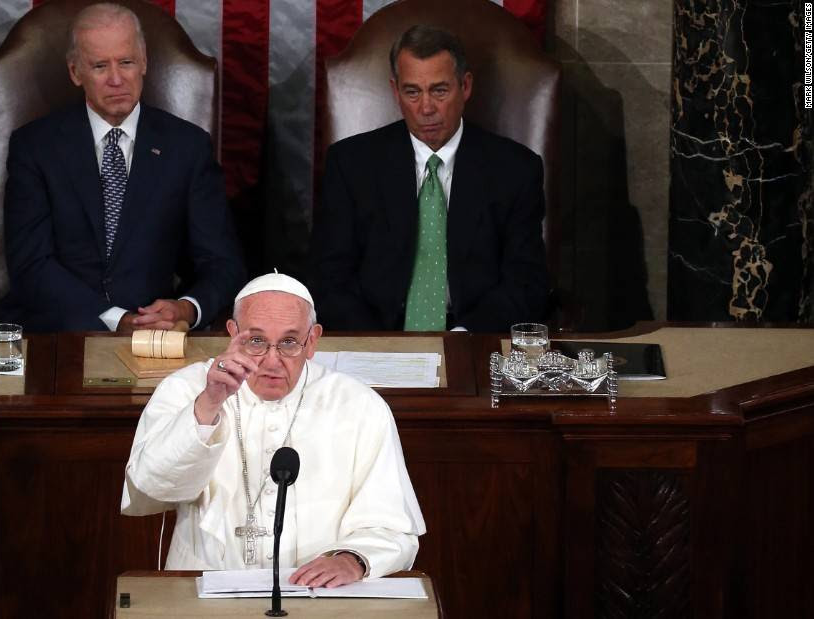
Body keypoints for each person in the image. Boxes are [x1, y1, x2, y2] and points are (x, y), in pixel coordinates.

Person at [121, 273, 425, 587]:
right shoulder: (187, 388)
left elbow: (393, 525)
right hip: (206, 589)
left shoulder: (359, 405)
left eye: (289, 342)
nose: (271, 360)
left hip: (319, 599)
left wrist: (354, 559)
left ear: (312, 341)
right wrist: (208, 405)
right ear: (232, 333)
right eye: (256, 341)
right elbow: (149, 489)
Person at [0, 3, 245, 333]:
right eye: (100, 66)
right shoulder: (35, 147)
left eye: (126, 62)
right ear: (75, 72)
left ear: (143, 62)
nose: (116, 79)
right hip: (55, 332)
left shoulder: (187, 147)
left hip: (155, 336)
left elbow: (222, 264)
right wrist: (117, 320)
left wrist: (185, 309)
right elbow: (31, 265)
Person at [310, 25, 549, 333]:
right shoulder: (351, 164)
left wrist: (463, 338)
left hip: (472, 336)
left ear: (465, 86)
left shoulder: (515, 170)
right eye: (412, 92)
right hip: (375, 335)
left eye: (439, 90)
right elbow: (328, 278)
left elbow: (526, 282)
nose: (426, 108)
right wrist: (379, 345)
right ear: (396, 92)